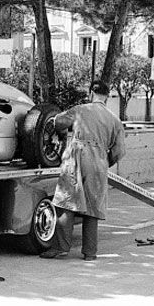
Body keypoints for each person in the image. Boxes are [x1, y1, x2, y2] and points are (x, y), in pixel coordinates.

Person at [40, 80, 126, 261]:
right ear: (106, 96)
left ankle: (61, 248)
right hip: (99, 163)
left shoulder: (80, 110)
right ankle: (90, 253)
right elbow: (119, 152)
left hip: (76, 158)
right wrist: (103, 161)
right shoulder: (115, 120)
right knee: (92, 208)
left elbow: (58, 122)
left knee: (66, 202)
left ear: (91, 94)